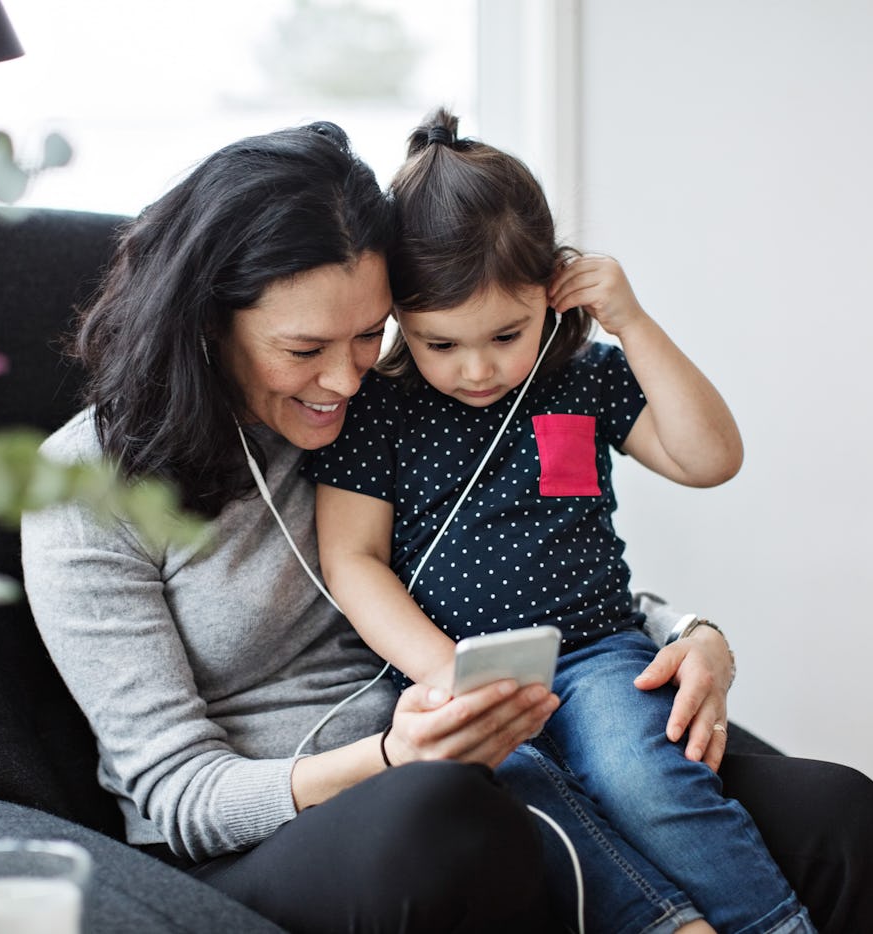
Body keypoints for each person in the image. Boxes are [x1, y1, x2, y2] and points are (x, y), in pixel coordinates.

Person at [21, 119, 873, 934]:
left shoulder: (374, 407)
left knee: (843, 814)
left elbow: (522, 551)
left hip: (480, 724)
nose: (346, 378)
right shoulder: (84, 496)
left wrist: (690, 634)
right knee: (450, 820)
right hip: (293, 818)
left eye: (370, 335)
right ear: (205, 325)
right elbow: (179, 792)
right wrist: (390, 754)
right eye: (304, 351)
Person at [307, 107, 815, 933]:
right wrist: (444, 673)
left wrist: (633, 322)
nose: (477, 368)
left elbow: (710, 457)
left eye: (506, 334)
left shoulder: (580, 378)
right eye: (441, 344)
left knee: (644, 777)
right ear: (399, 316)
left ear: (553, 291)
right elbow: (353, 560)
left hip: (597, 653)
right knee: (527, 800)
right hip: (455, 672)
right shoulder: (380, 410)